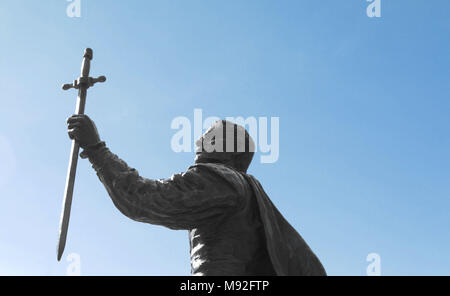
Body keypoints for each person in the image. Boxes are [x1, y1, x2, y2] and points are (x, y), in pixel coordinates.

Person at [67, 115, 326, 276]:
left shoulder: (219, 179)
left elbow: (144, 199)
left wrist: (96, 149)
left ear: (229, 150)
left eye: (210, 137)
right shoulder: (244, 190)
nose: (200, 140)